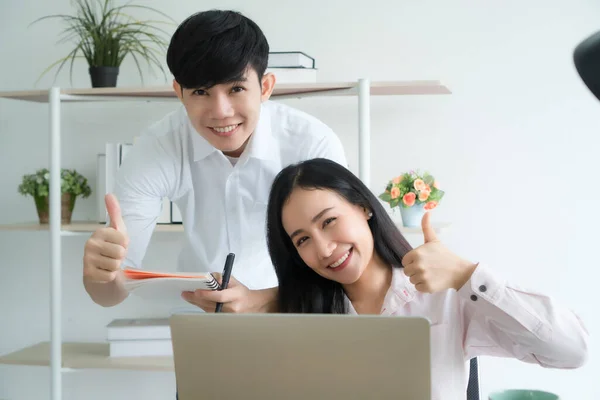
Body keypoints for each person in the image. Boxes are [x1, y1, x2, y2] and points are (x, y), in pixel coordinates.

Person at [82, 10, 346, 312]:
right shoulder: (157, 147)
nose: (221, 111)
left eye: (236, 89)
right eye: (201, 92)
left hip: (300, 308)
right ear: (179, 93)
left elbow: (345, 267)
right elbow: (110, 295)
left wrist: (257, 302)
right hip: (203, 313)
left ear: (265, 87)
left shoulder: (311, 143)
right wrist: (100, 275)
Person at [265, 158, 589, 399]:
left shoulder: (444, 295)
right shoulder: (302, 317)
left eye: (329, 221)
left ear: (364, 207)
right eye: (302, 239)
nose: (323, 248)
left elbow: (571, 350)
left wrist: (467, 275)